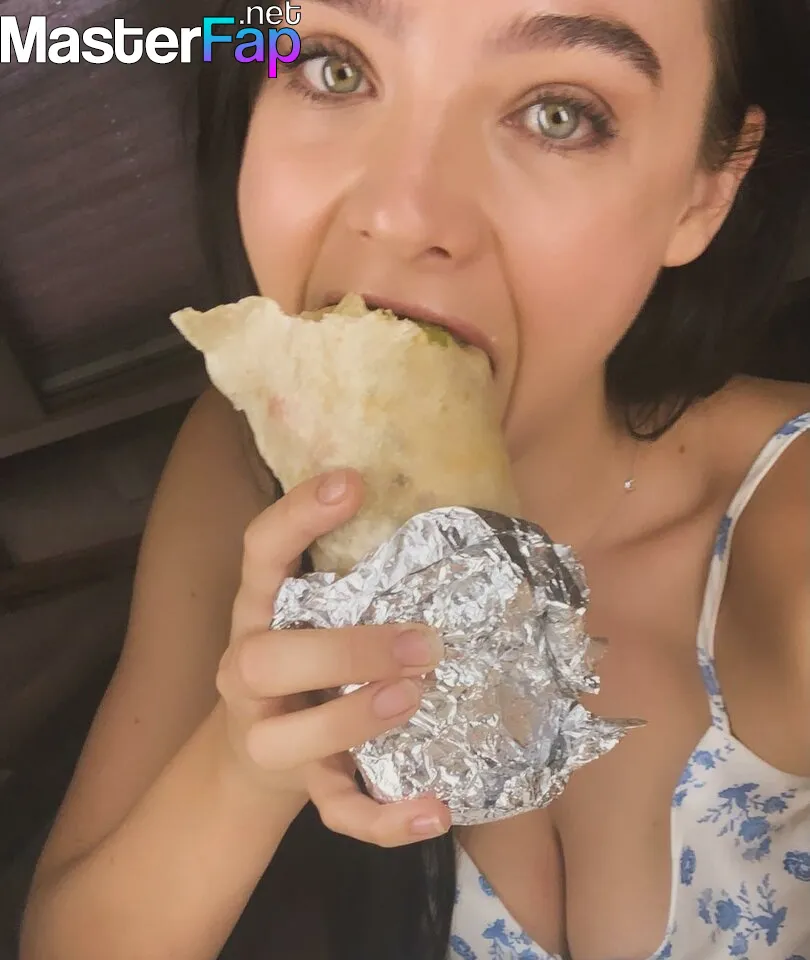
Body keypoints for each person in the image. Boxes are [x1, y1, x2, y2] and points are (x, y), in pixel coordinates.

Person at [18, 0, 810, 958]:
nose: (400, 213)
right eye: (336, 68)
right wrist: (243, 770)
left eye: (559, 114)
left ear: (704, 192)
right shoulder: (248, 461)